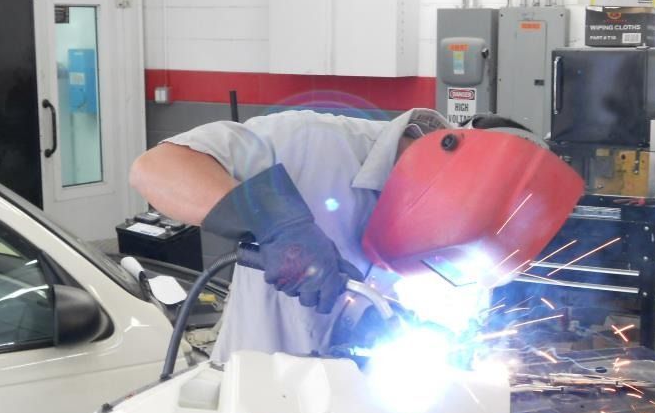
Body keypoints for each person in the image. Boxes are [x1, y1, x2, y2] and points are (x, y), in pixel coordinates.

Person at [130, 109, 581, 363]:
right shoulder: (308, 143)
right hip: (255, 408)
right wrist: (277, 224)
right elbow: (156, 168)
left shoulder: (486, 237)